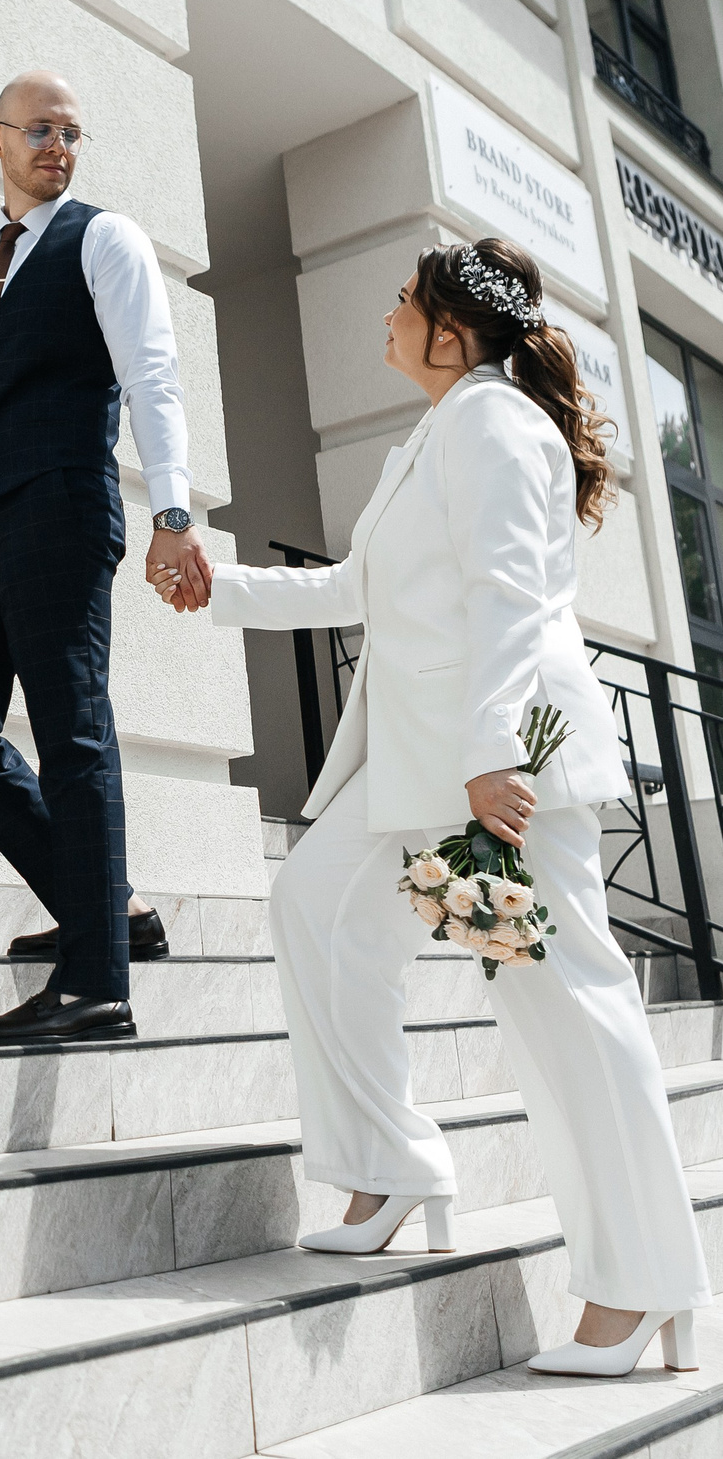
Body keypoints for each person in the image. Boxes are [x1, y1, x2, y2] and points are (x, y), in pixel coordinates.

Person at [155, 237, 710, 1376]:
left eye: (406, 302)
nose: (391, 314)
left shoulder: (495, 424)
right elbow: (358, 587)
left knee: (562, 1013)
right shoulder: (439, 431)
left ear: (452, 332)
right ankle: (392, 1167)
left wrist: (492, 753)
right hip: (417, 775)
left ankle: (641, 1286)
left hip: (495, 779)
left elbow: (510, 594)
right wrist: (223, 588)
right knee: (315, 912)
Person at [0, 69, 211, 1046]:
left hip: (62, 501)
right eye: (41, 130)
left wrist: (173, 511)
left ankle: (95, 983)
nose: (58, 145)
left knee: (71, 730)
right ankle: (117, 911)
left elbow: (152, 373)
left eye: (72, 132)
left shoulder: (104, 240)